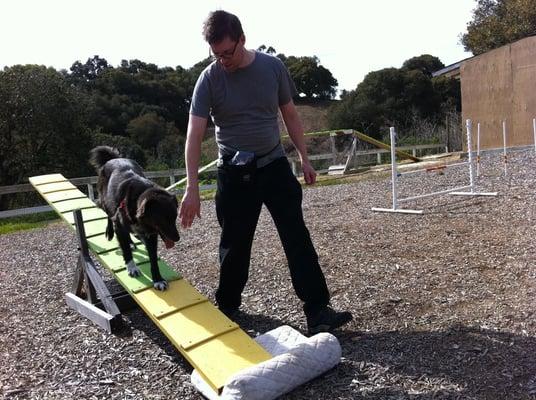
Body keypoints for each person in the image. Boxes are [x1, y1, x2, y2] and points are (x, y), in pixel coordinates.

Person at [179, 10, 352, 334]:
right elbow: (194, 133)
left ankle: (317, 309)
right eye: (215, 54)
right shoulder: (209, 78)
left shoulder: (272, 68)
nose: (222, 60)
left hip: (273, 166)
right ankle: (228, 308)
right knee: (234, 245)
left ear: (242, 39)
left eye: (227, 53)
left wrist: (304, 156)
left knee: (296, 237)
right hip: (234, 172)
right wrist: (191, 187)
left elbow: (290, 115)